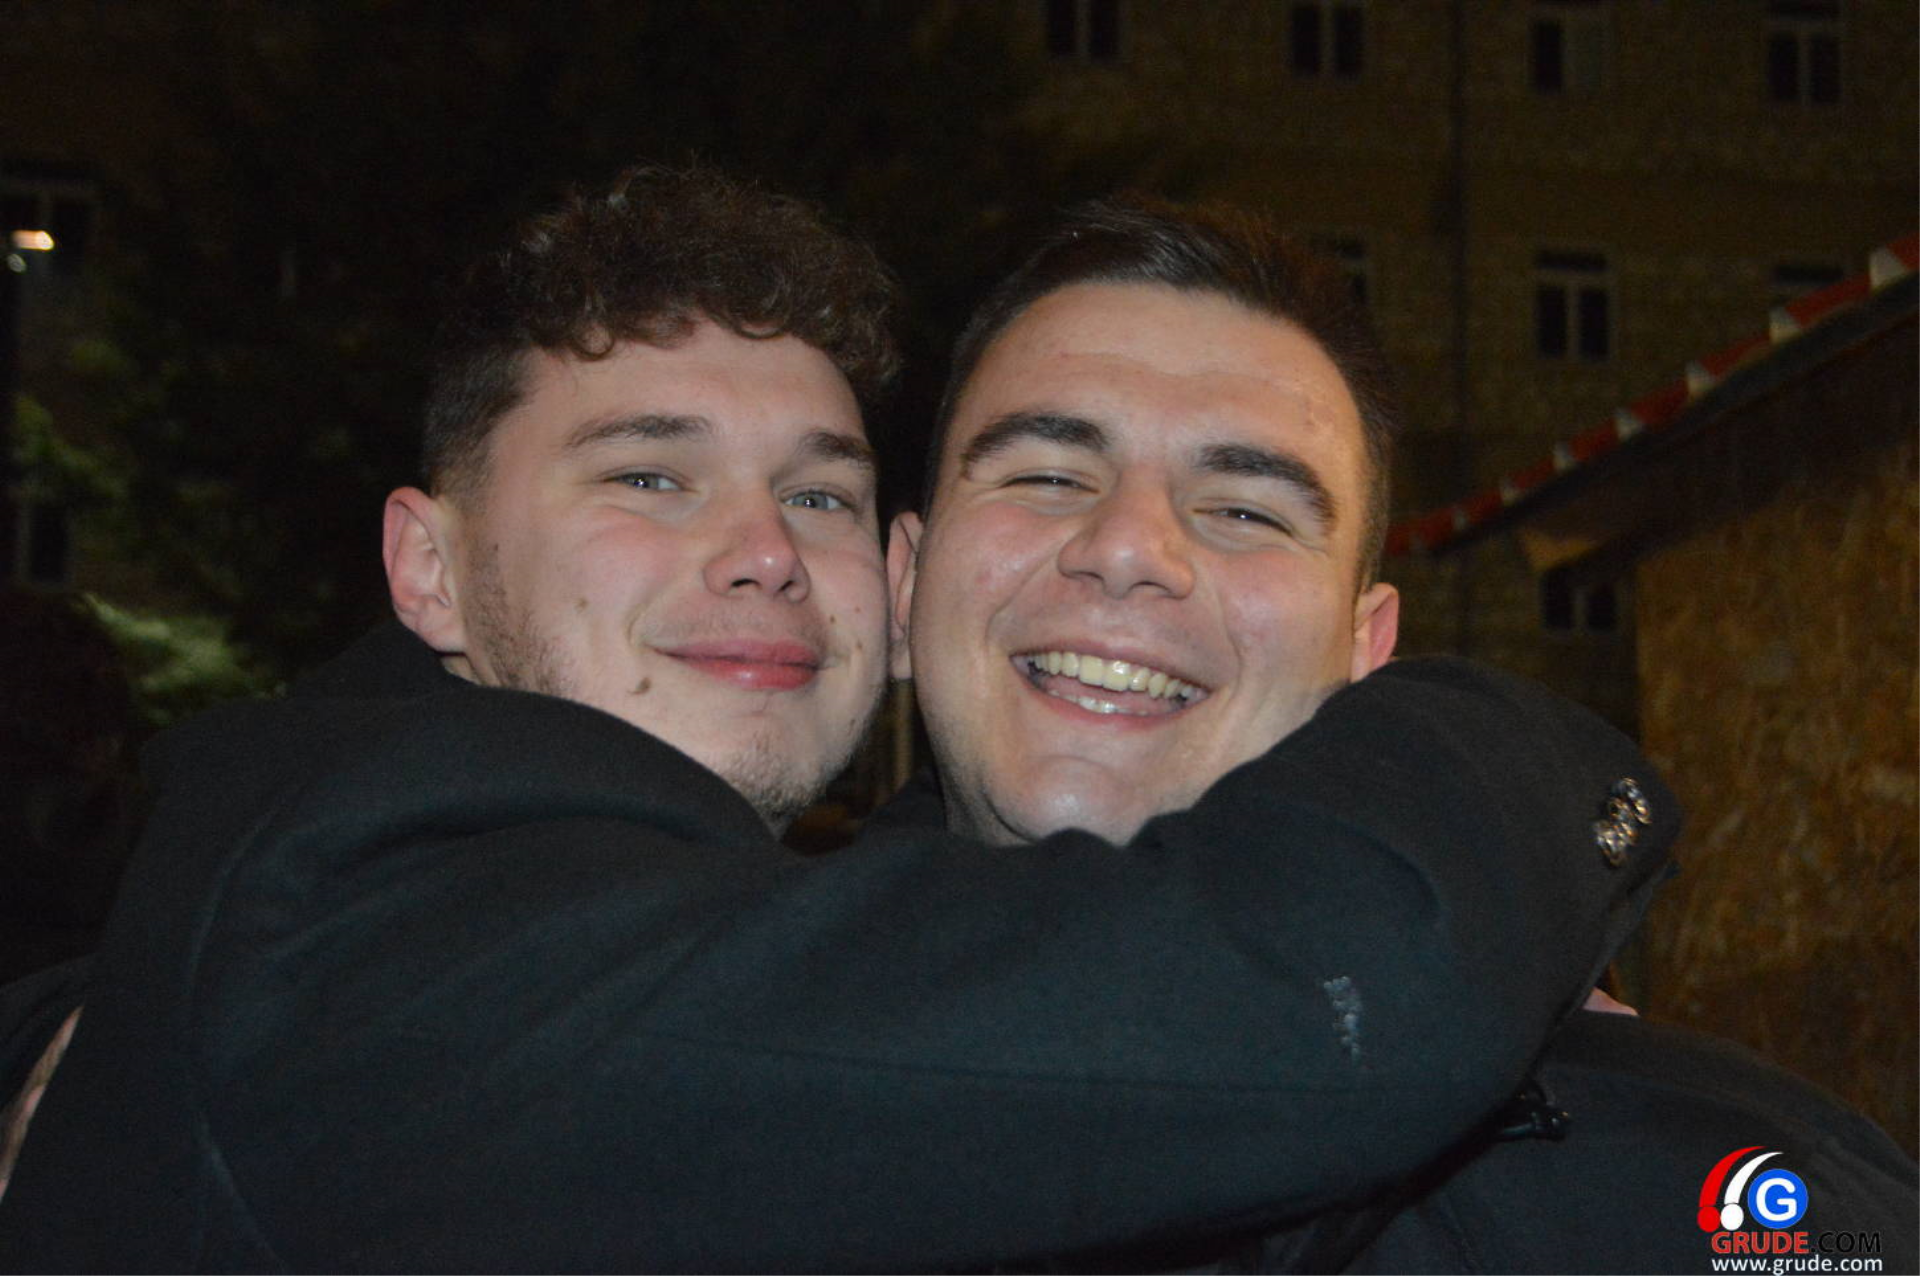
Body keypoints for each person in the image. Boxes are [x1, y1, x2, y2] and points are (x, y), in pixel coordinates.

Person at [1, 165, 1676, 1274]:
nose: (764, 555)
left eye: (817, 493)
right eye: (649, 475)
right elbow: (1305, 1008)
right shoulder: (364, 922)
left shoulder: (1691, 1173)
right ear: (426, 569)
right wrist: (1542, 788)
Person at [881, 193, 1920, 1272]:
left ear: (1362, 651)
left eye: (1245, 510)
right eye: (1048, 475)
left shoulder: (1718, 1200)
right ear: (904, 586)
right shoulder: (752, 1120)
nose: (1128, 546)